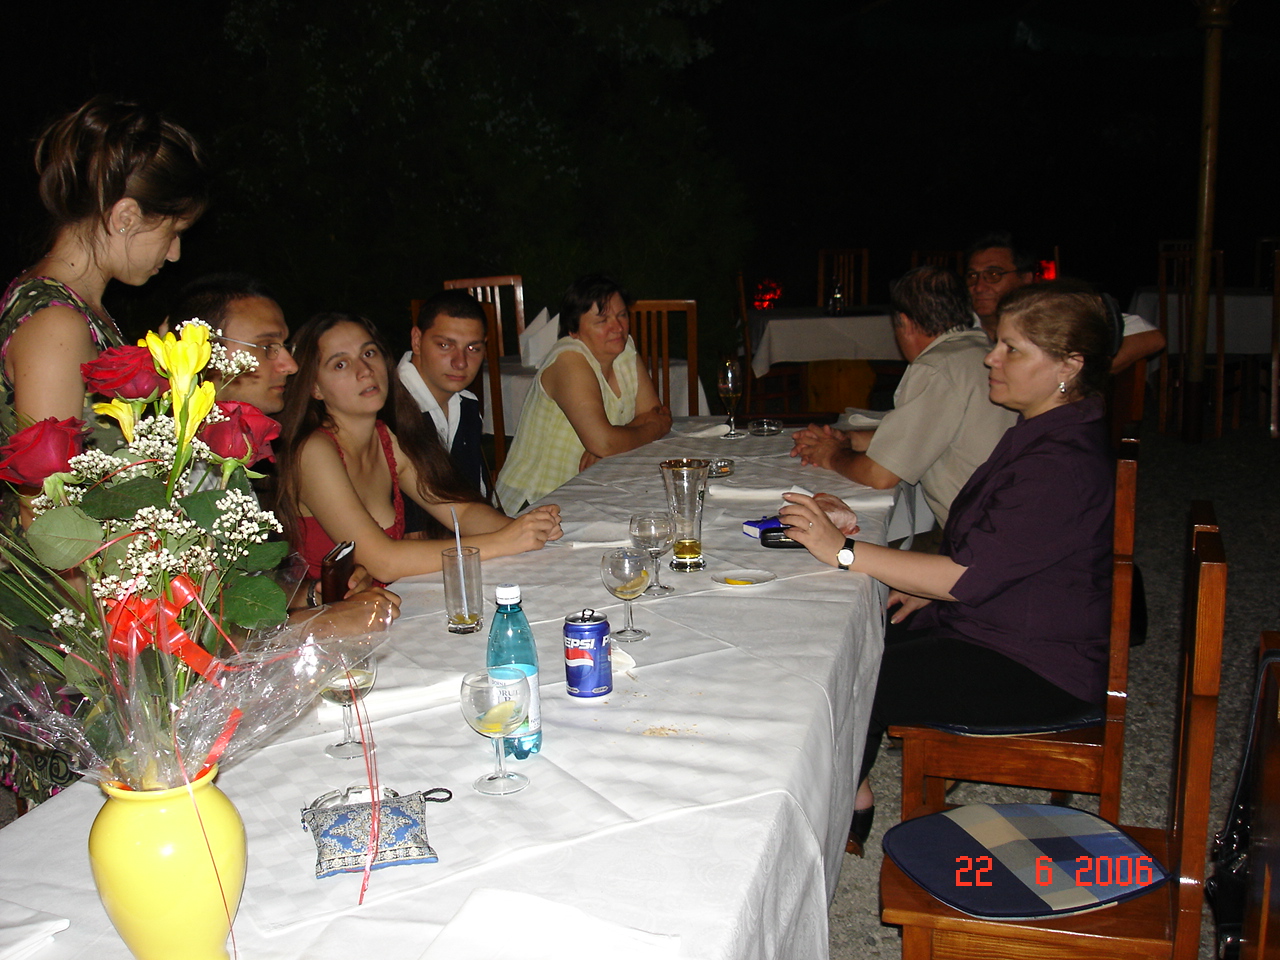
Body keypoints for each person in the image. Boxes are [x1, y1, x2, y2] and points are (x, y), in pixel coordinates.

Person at [779, 282, 1116, 854]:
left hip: (1037, 665)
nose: (991, 358)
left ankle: (832, 816)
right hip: (1002, 621)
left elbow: (967, 577)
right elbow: (1006, 555)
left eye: (1012, 349)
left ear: (1069, 365)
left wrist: (842, 550)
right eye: (996, 343)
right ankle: (850, 790)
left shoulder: (1060, 462)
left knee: (847, 674)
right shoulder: (1047, 430)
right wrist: (927, 589)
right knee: (846, 635)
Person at [1, 97, 208, 493]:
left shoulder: (74, 308)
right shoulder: (56, 325)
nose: (175, 253)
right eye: (173, 232)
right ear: (125, 217)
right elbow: (45, 505)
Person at [276, 312, 562, 584]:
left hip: (388, 601)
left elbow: (459, 511)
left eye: (369, 353)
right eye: (340, 364)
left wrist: (522, 528)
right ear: (314, 387)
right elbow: (382, 561)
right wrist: (504, 540)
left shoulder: (384, 437)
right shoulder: (313, 451)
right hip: (330, 614)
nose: (364, 371)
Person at [789, 266, 1016, 528]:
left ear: (905, 323)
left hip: (984, 533)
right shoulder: (981, 351)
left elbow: (880, 475)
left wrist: (832, 455)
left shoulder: (936, 367)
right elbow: (932, 432)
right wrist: (849, 439)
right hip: (1009, 514)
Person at [495, 274, 672, 510]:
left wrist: (614, 443)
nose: (618, 328)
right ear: (574, 330)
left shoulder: (625, 349)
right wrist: (650, 430)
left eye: (622, 315)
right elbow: (614, 439)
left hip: (587, 494)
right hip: (534, 502)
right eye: (602, 321)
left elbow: (652, 413)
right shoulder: (569, 359)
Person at [965, 232, 1164, 372]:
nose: (979, 286)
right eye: (972, 276)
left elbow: (1150, 337)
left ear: (1025, 278)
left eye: (993, 275)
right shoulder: (960, 324)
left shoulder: (1050, 316)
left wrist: (1082, 376)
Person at [397, 290, 491, 521]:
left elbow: (475, 500)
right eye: (445, 345)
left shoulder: (467, 405)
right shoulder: (389, 411)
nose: (460, 362)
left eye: (473, 349)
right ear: (417, 340)